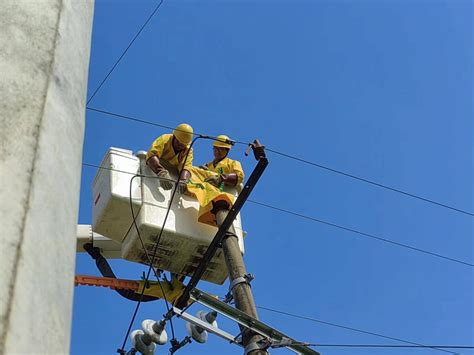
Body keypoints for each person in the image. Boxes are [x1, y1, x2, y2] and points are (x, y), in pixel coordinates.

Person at [186, 135, 245, 226]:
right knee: (190, 169)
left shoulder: (232, 163)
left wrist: (221, 178)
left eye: (221, 149)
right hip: (208, 196)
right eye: (216, 149)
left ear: (227, 151)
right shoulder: (209, 166)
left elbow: (239, 177)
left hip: (222, 198)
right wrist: (202, 171)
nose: (218, 152)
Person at [146, 123, 194, 192]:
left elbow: (186, 167)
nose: (180, 146)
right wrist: (161, 173)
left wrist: (183, 180)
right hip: (156, 169)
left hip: (173, 172)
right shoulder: (165, 139)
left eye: (183, 144)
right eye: (178, 142)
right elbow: (151, 155)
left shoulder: (188, 150)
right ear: (174, 136)